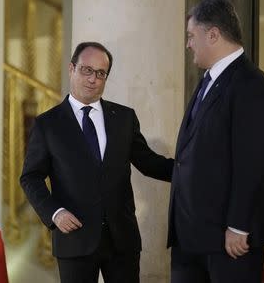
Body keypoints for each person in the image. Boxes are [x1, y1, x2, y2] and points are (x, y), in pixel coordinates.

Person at [20, 41, 174, 283]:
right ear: (72, 69)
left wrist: (191, 169)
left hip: (122, 241)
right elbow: (30, 177)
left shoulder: (124, 118)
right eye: (86, 70)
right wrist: (55, 213)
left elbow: (149, 163)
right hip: (74, 240)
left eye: (100, 73)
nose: (93, 79)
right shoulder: (47, 124)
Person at [167, 0, 264, 283]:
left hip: (228, 241)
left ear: (213, 34)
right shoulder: (208, 81)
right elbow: (196, 156)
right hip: (192, 237)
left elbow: (254, 163)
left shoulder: (251, 84)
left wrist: (239, 226)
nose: (188, 43)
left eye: (191, 36)